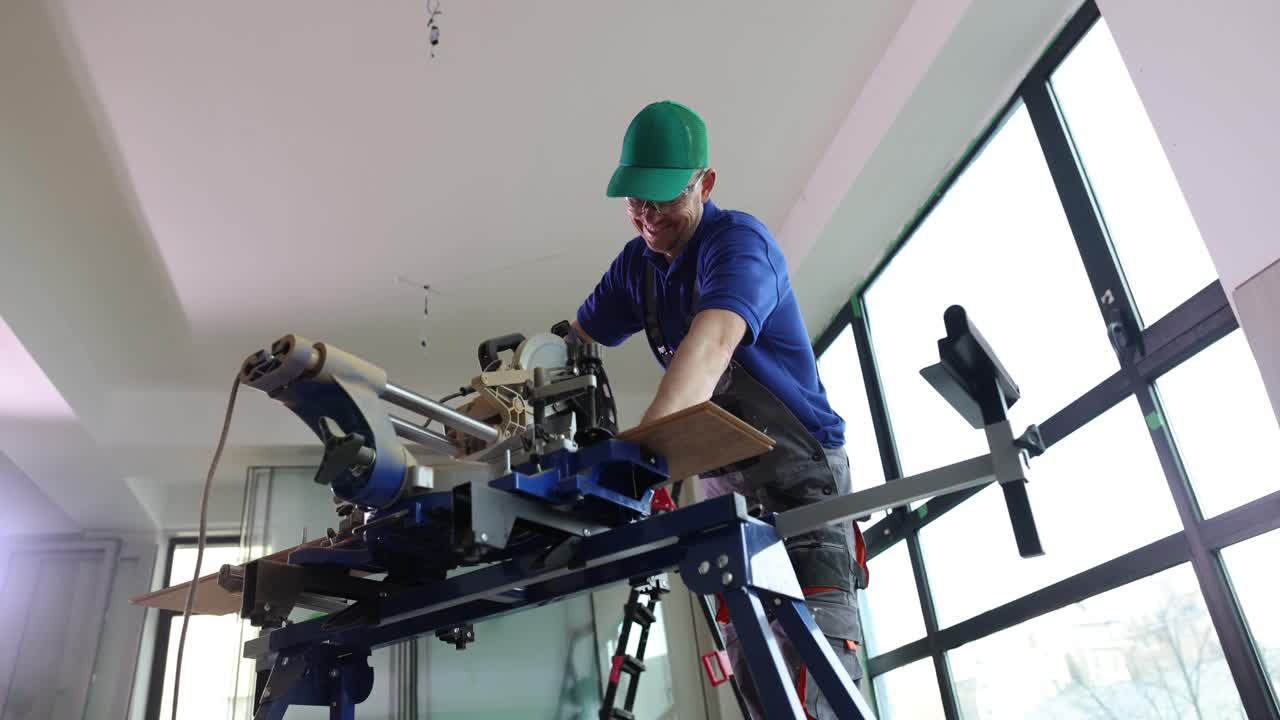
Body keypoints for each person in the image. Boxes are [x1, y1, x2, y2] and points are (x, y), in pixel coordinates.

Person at [571, 100, 865, 718]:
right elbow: (576, 340)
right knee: (757, 678)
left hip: (802, 479)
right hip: (723, 489)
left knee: (818, 677)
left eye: (663, 200)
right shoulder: (639, 266)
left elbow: (709, 352)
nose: (648, 218)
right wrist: (525, 376)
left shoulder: (739, 245)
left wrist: (640, 460)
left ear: (704, 184)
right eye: (636, 202)